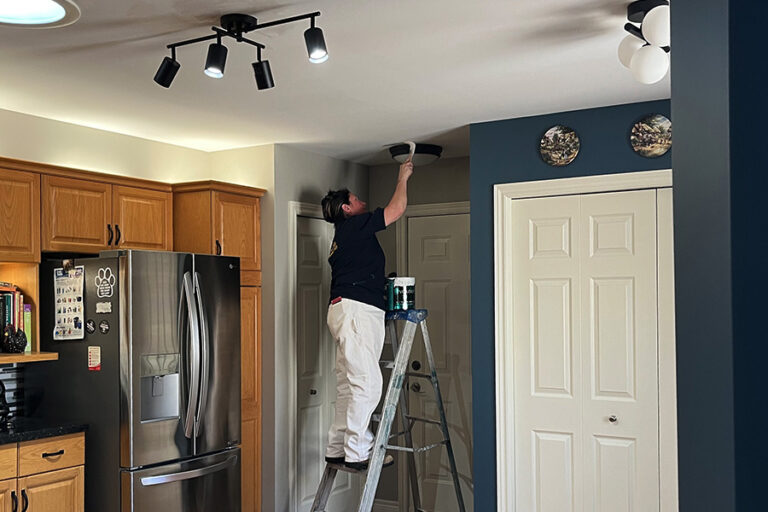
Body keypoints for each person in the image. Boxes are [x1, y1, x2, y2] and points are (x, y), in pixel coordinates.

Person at [320, 159, 413, 471]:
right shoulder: (353, 227)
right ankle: (358, 450)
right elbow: (396, 209)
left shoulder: (342, 237)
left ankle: (337, 446)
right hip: (357, 311)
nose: (361, 201)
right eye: (356, 198)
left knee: (348, 383)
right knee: (367, 383)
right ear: (346, 208)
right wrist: (403, 176)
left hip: (344, 309)